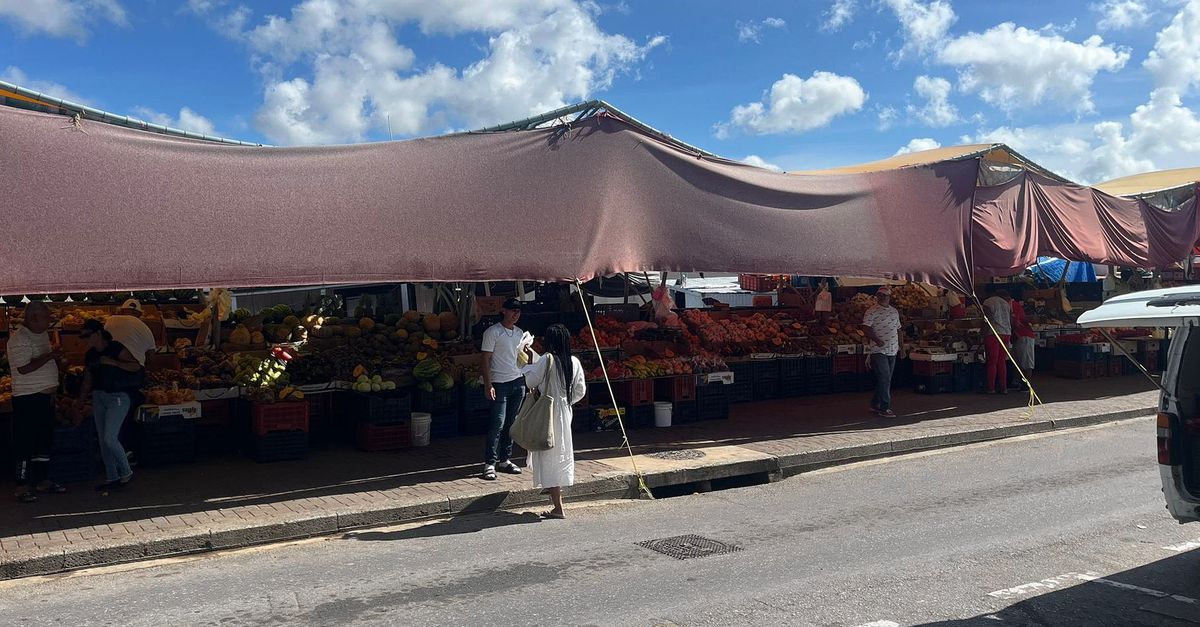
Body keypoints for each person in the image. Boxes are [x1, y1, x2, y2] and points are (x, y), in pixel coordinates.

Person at [521, 324, 586, 519]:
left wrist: (528, 364)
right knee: (562, 452)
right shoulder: (573, 361)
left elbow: (531, 382)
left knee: (548, 453)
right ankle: (552, 491)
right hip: (565, 411)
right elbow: (580, 391)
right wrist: (566, 402)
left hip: (547, 411)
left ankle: (558, 507)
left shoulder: (547, 360)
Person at [8, 302, 66, 503]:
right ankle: (21, 485)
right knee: (25, 442)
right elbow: (23, 368)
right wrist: (50, 356)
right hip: (28, 398)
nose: (49, 320)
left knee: (44, 440)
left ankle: (42, 479)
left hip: (44, 398)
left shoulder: (41, 335)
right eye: (45, 316)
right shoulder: (19, 339)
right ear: (33, 318)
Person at [81, 319, 144, 491]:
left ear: (98, 333)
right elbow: (88, 379)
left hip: (118, 396)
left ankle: (126, 471)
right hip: (98, 396)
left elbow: (136, 366)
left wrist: (114, 363)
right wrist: (81, 400)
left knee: (110, 437)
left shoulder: (116, 348)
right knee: (103, 440)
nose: (86, 339)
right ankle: (112, 476)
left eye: (88, 335)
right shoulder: (90, 355)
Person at [480, 298, 533, 481]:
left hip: (517, 381)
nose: (515, 315)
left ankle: (505, 459)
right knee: (498, 422)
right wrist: (489, 384)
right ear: (504, 311)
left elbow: (523, 358)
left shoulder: (520, 333)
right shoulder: (493, 332)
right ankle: (489, 462)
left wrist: (528, 379)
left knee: (511, 423)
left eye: (518, 312)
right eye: (512, 311)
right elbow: (485, 359)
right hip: (499, 382)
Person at [862, 286, 902, 418]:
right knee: (884, 378)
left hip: (893, 349)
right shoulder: (871, 311)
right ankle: (885, 407)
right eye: (880, 295)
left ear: (889, 297)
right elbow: (865, 328)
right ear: (877, 296)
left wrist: (902, 347)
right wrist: (876, 340)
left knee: (885, 379)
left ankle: (875, 404)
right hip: (878, 350)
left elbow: (899, 330)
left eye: (885, 295)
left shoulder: (894, 312)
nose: (882, 297)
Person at [982, 289, 1014, 394]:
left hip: (993, 333)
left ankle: (991, 388)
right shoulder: (1006, 304)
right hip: (1006, 333)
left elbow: (987, 319)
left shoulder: (988, 302)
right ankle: (1003, 387)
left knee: (992, 362)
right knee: (1002, 361)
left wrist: (982, 333)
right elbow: (1011, 320)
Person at [1010, 296, 1036, 389]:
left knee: (1026, 362)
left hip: (1024, 336)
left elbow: (1015, 322)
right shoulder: (1011, 305)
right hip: (1017, 337)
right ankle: (1016, 382)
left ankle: (1027, 384)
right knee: (1016, 361)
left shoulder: (1013, 305)